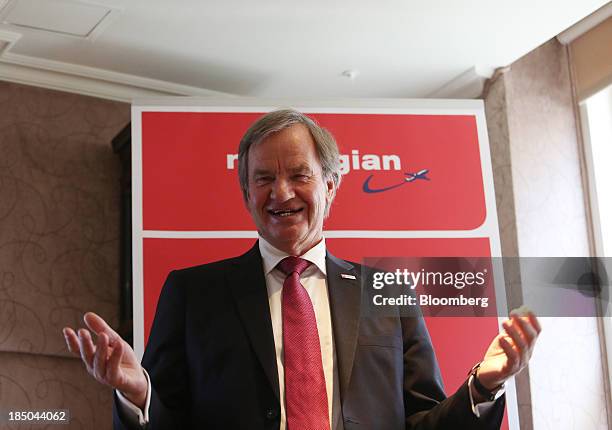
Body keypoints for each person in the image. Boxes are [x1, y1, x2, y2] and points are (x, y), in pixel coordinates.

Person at [63, 109, 541, 429]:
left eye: (299, 175)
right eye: (264, 179)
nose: (281, 193)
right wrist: (138, 393)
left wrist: (484, 384)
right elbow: (173, 420)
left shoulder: (388, 290)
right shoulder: (193, 293)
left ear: (331, 185)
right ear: (245, 193)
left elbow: (424, 421)